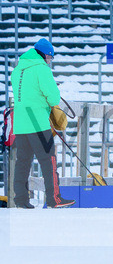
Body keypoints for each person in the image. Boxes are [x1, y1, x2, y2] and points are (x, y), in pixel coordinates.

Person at [9, 39, 74, 208]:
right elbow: (53, 97)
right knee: (49, 161)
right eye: (50, 58)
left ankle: (21, 200)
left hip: (21, 124)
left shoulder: (17, 71)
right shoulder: (42, 69)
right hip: (38, 123)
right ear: (44, 55)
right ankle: (54, 199)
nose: (50, 62)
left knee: (22, 162)